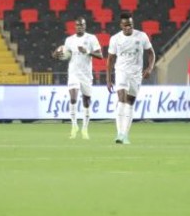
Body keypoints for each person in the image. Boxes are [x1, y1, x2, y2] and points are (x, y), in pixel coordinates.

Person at [106, 13, 155, 144]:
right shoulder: (115, 39)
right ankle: (119, 134)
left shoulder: (141, 36)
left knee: (130, 103)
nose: (128, 27)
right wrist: (108, 79)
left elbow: (151, 53)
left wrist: (150, 68)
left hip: (136, 74)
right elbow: (110, 60)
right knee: (121, 99)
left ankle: (125, 134)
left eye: (130, 25)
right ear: (121, 25)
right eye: (126, 25)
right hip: (121, 72)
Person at [52, 17, 102, 139]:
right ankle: (74, 126)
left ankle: (85, 128)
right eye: (78, 25)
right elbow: (64, 54)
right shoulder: (69, 40)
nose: (80, 27)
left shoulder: (91, 38)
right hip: (73, 73)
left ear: (85, 26)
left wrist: (87, 51)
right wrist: (56, 54)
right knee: (73, 98)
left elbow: (100, 55)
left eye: (82, 25)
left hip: (86, 75)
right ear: (75, 26)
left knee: (86, 101)